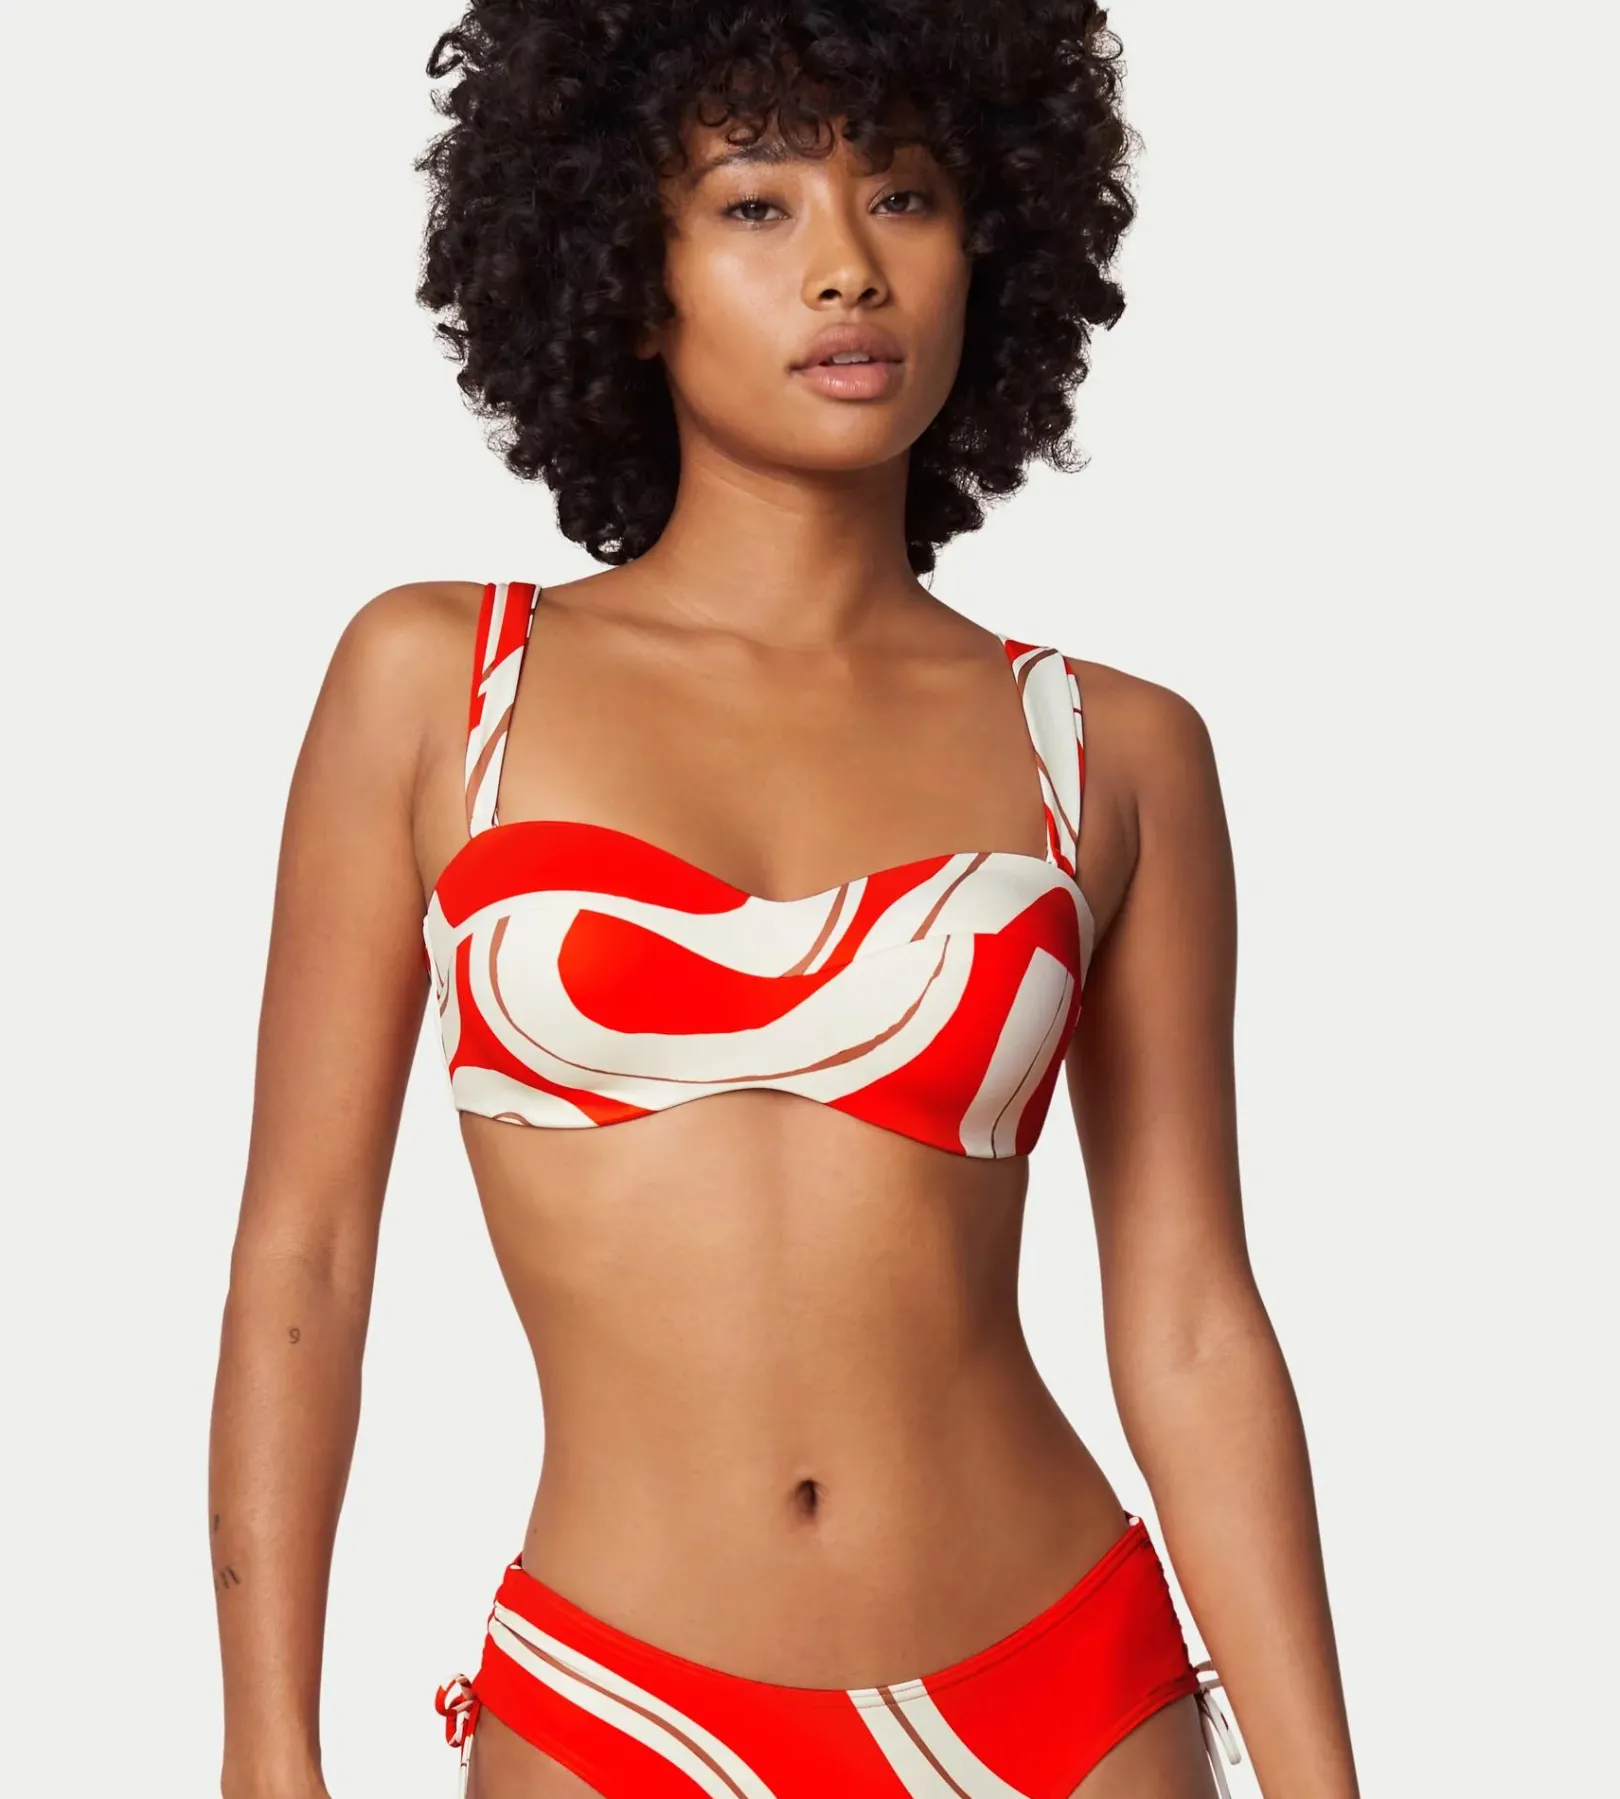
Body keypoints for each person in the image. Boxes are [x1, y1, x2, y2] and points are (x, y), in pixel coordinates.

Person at [208, 5, 1360, 1796]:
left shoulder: (1113, 748)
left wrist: (1323, 1780)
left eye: (903, 194)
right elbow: (306, 1254)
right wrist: (264, 1740)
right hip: (612, 1706)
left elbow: (1194, 1318)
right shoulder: (436, 682)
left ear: (993, 242)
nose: (846, 267)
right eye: (757, 205)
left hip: (1063, 1698)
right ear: (624, 267)